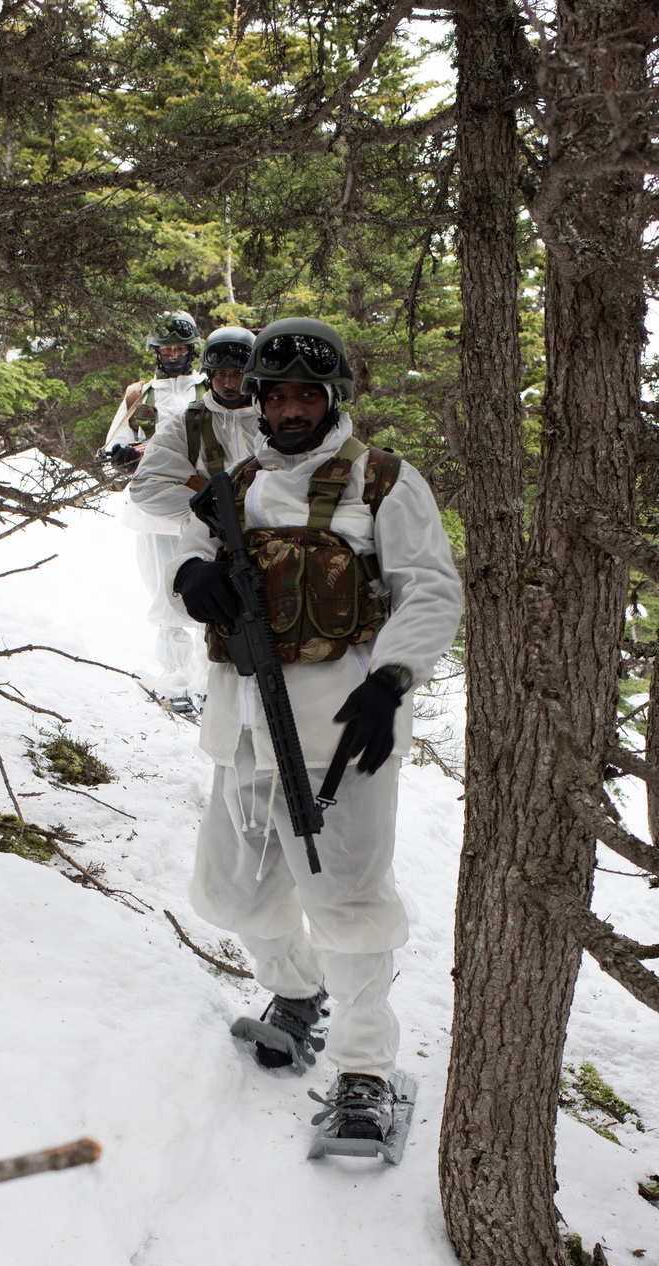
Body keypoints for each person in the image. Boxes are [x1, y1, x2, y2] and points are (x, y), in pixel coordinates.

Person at [168, 317, 462, 1142]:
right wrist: (191, 576)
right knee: (235, 891)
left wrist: (393, 678)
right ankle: (298, 993)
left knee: (350, 905)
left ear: (333, 399)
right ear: (258, 400)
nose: (292, 407)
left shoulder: (384, 484)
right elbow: (184, 561)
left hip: (344, 732)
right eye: (279, 393)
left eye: (309, 393)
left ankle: (364, 1068)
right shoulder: (238, 486)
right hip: (245, 729)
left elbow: (431, 590)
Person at [127, 326, 261, 712]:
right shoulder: (188, 423)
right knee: (193, 606)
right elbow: (146, 487)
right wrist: (204, 509)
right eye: (220, 374)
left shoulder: (273, 418)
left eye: (237, 373)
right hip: (209, 539)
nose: (229, 382)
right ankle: (187, 683)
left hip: (270, 537)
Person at [102, 312, 206, 705]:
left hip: (199, 503)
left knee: (206, 582)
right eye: (167, 348)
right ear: (156, 351)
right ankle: (176, 676)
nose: (174, 354)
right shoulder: (140, 395)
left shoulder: (209, 389)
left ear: (191, 349)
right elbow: (117, 441)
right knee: (164, 590)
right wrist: (123, 456)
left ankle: (208, 679)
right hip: (153, 509)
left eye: (180, 347)